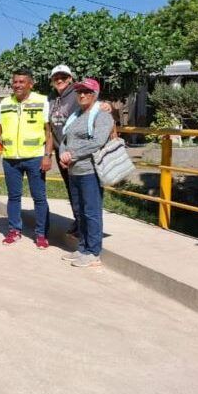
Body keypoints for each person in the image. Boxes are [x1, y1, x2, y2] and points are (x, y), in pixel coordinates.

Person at [48, 64, 112, 237]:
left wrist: (106, 105)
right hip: (62, 152)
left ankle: (89, 235)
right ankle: (79, 223)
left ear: (70, 79)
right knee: (72, 191)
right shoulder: (51, 99)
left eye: (63, 77)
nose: (59, 80)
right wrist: (58, 152)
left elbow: (95, 105)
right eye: (56, 77)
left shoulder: (76, 96)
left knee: (88, 198)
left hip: (82, 156)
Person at [0, 70, 54, 248]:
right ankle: (14, 231)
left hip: (35, 157)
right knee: (13, 197)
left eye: (22, 82)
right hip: (10, 158)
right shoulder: (4, 103)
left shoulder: (42, 101)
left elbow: (49, 133)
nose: (17, 85)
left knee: (39, 197)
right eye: (15, 82)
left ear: (30, 84)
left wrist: (47, 156)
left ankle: (41, 234)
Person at [59, 78, 114, 268]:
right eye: (79, 92)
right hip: (75, 171)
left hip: (91, 171)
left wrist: (72, 155)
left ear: (95, 94)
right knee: (80, 212)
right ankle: (83, 248)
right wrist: (62, 154)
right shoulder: (76, 115)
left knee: (91, 212)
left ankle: (93, 252)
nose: (82, 95)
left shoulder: (102, 115)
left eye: (87, 92)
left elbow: (97, 141)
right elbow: (64, 138)